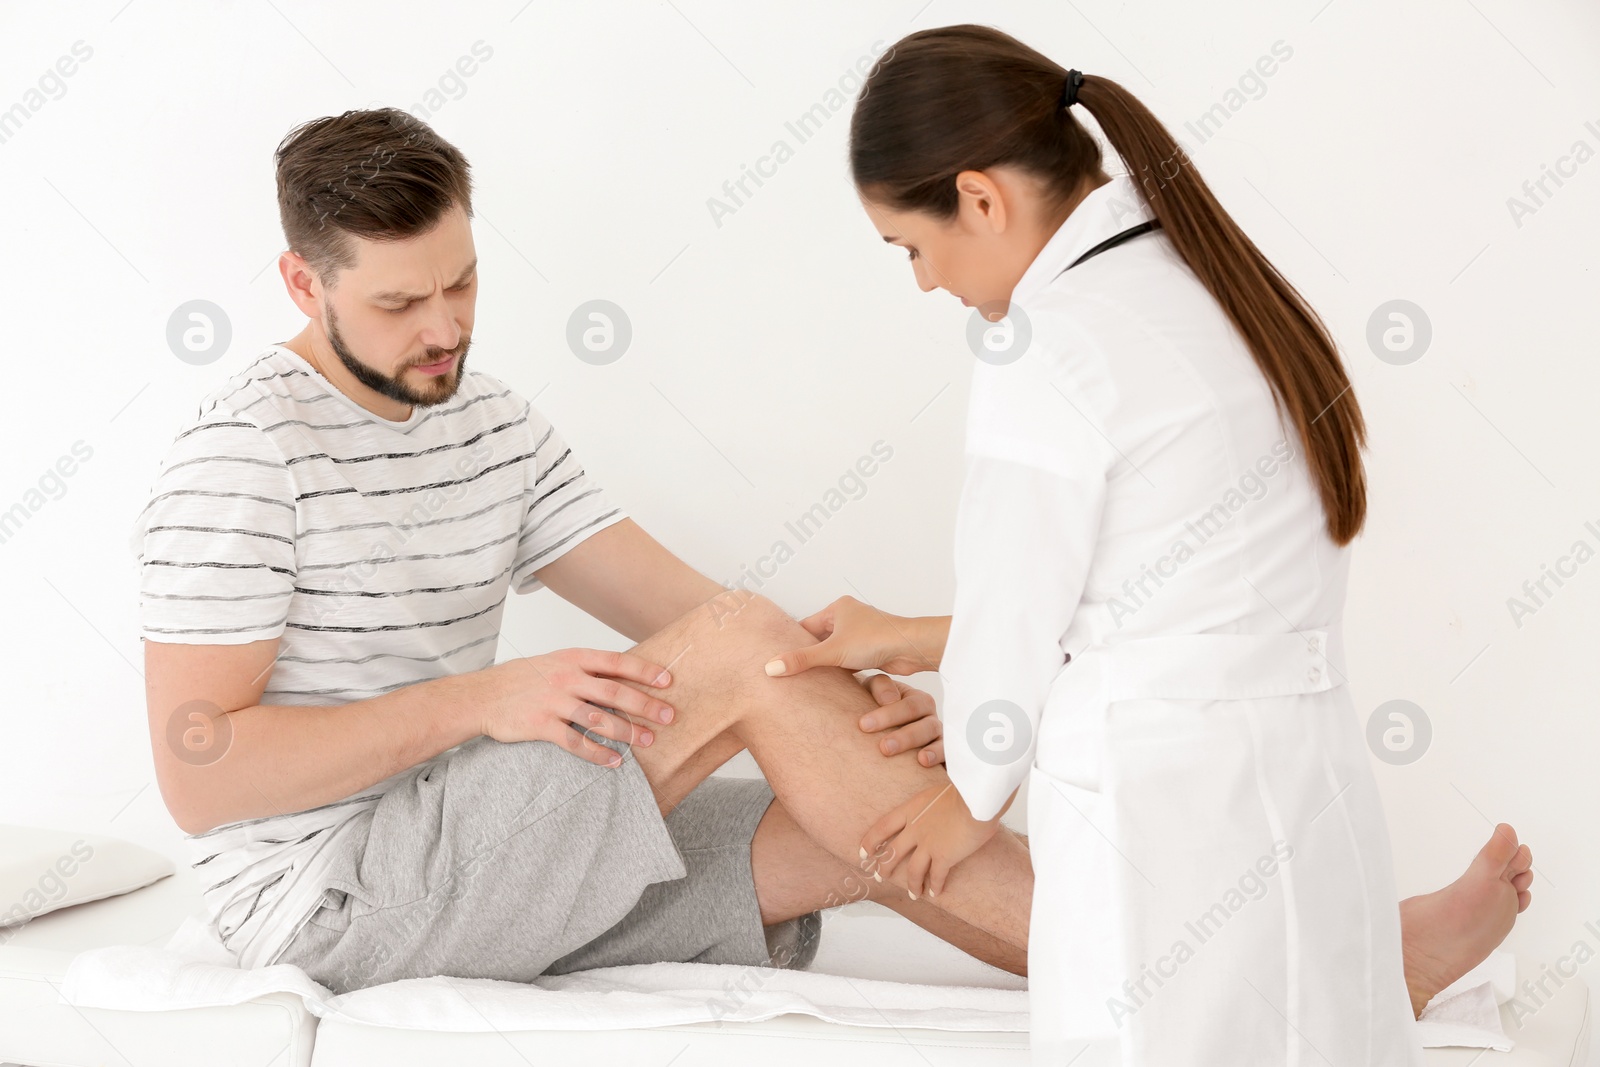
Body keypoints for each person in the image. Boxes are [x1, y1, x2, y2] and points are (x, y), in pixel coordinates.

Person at [763, 24, 1535, 1066]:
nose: (924, 282)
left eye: (912, 246)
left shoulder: (1042, 347)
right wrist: (921, 633)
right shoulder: (1208, 284)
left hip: (1161, 805)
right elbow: (1179, 592)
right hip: (1308, 771)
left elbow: (1024, 609)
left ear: (980, 199)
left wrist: (969, 798)